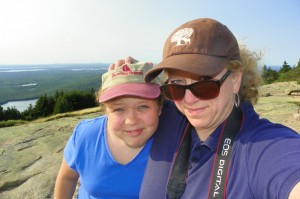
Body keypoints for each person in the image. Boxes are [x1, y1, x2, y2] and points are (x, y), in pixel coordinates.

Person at [114, 18, 300, 199]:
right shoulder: (168, 115)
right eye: (176, 84)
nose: (189, 99)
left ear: (235, 79)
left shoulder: (262, 146)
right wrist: (129, 78)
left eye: (205, 84)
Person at [54, 62, 164, 199]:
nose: (131, 120)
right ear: (106, 111)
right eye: (119, 109)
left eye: (143, 107)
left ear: (160, 108)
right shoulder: (86, 135)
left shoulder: (174, 138)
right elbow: (67, 177)